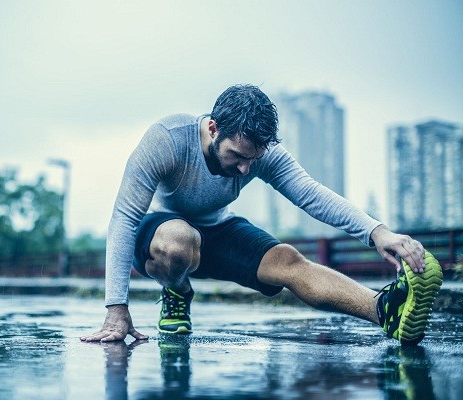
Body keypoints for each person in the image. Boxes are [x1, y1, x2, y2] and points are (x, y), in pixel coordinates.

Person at [80, 84, 443, 346]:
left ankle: (385, 311)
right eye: (237, 156)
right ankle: (177, 292)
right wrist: (116, 309)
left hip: (219, 228)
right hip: (161, 234)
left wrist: (377, 232)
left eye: (252, 160)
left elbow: (311, 194)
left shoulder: (259, 152)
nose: (244, 170)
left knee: (288, 260)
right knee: (179, 240)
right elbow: (125, 217)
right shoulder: (167, 139)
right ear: (212, 129)